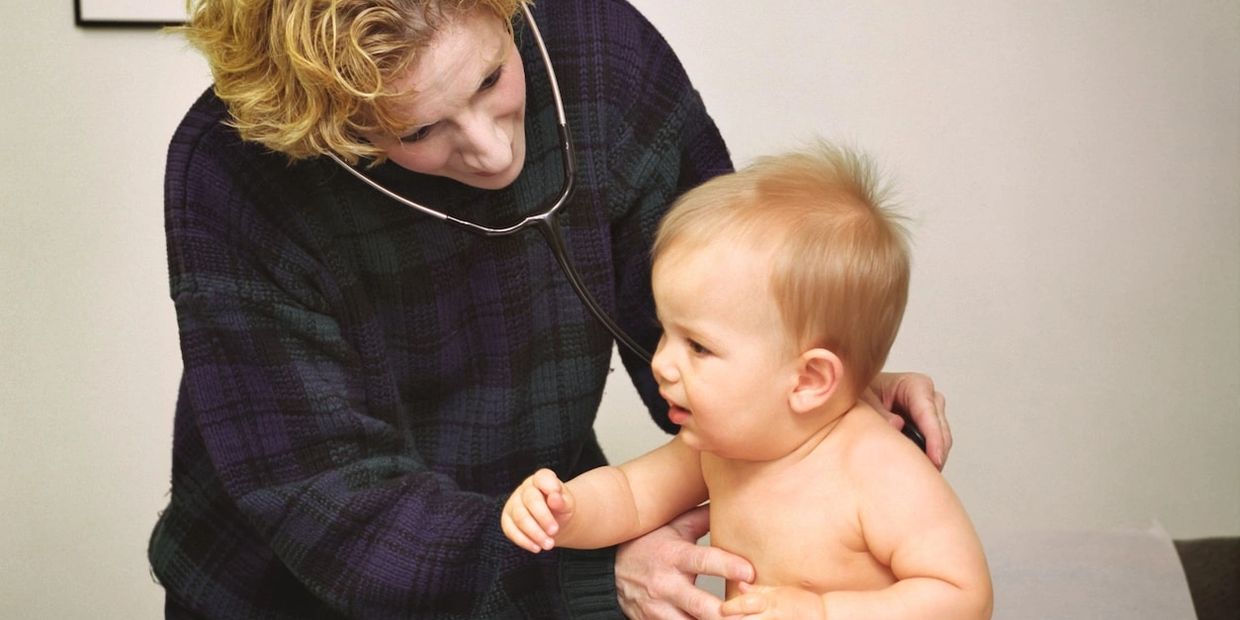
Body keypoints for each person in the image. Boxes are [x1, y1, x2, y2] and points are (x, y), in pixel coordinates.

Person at [147, 0, 953, 616]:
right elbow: (322, 496)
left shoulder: (600, 53)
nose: (494, 152)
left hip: (541, 531)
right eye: (418, 128)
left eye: (493, 79)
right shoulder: (234, 170)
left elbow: (731, 301)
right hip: (295, 584)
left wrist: (823, 398)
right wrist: (581, 572)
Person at [503, 142, 992, 619]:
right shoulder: (719, 448)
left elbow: (963, 595)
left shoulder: (877, 469)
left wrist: (824, 611)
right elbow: (629, 498)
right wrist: (563, 512)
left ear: (808, 380)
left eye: (698, 346)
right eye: (664, 332)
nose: (661, 364)